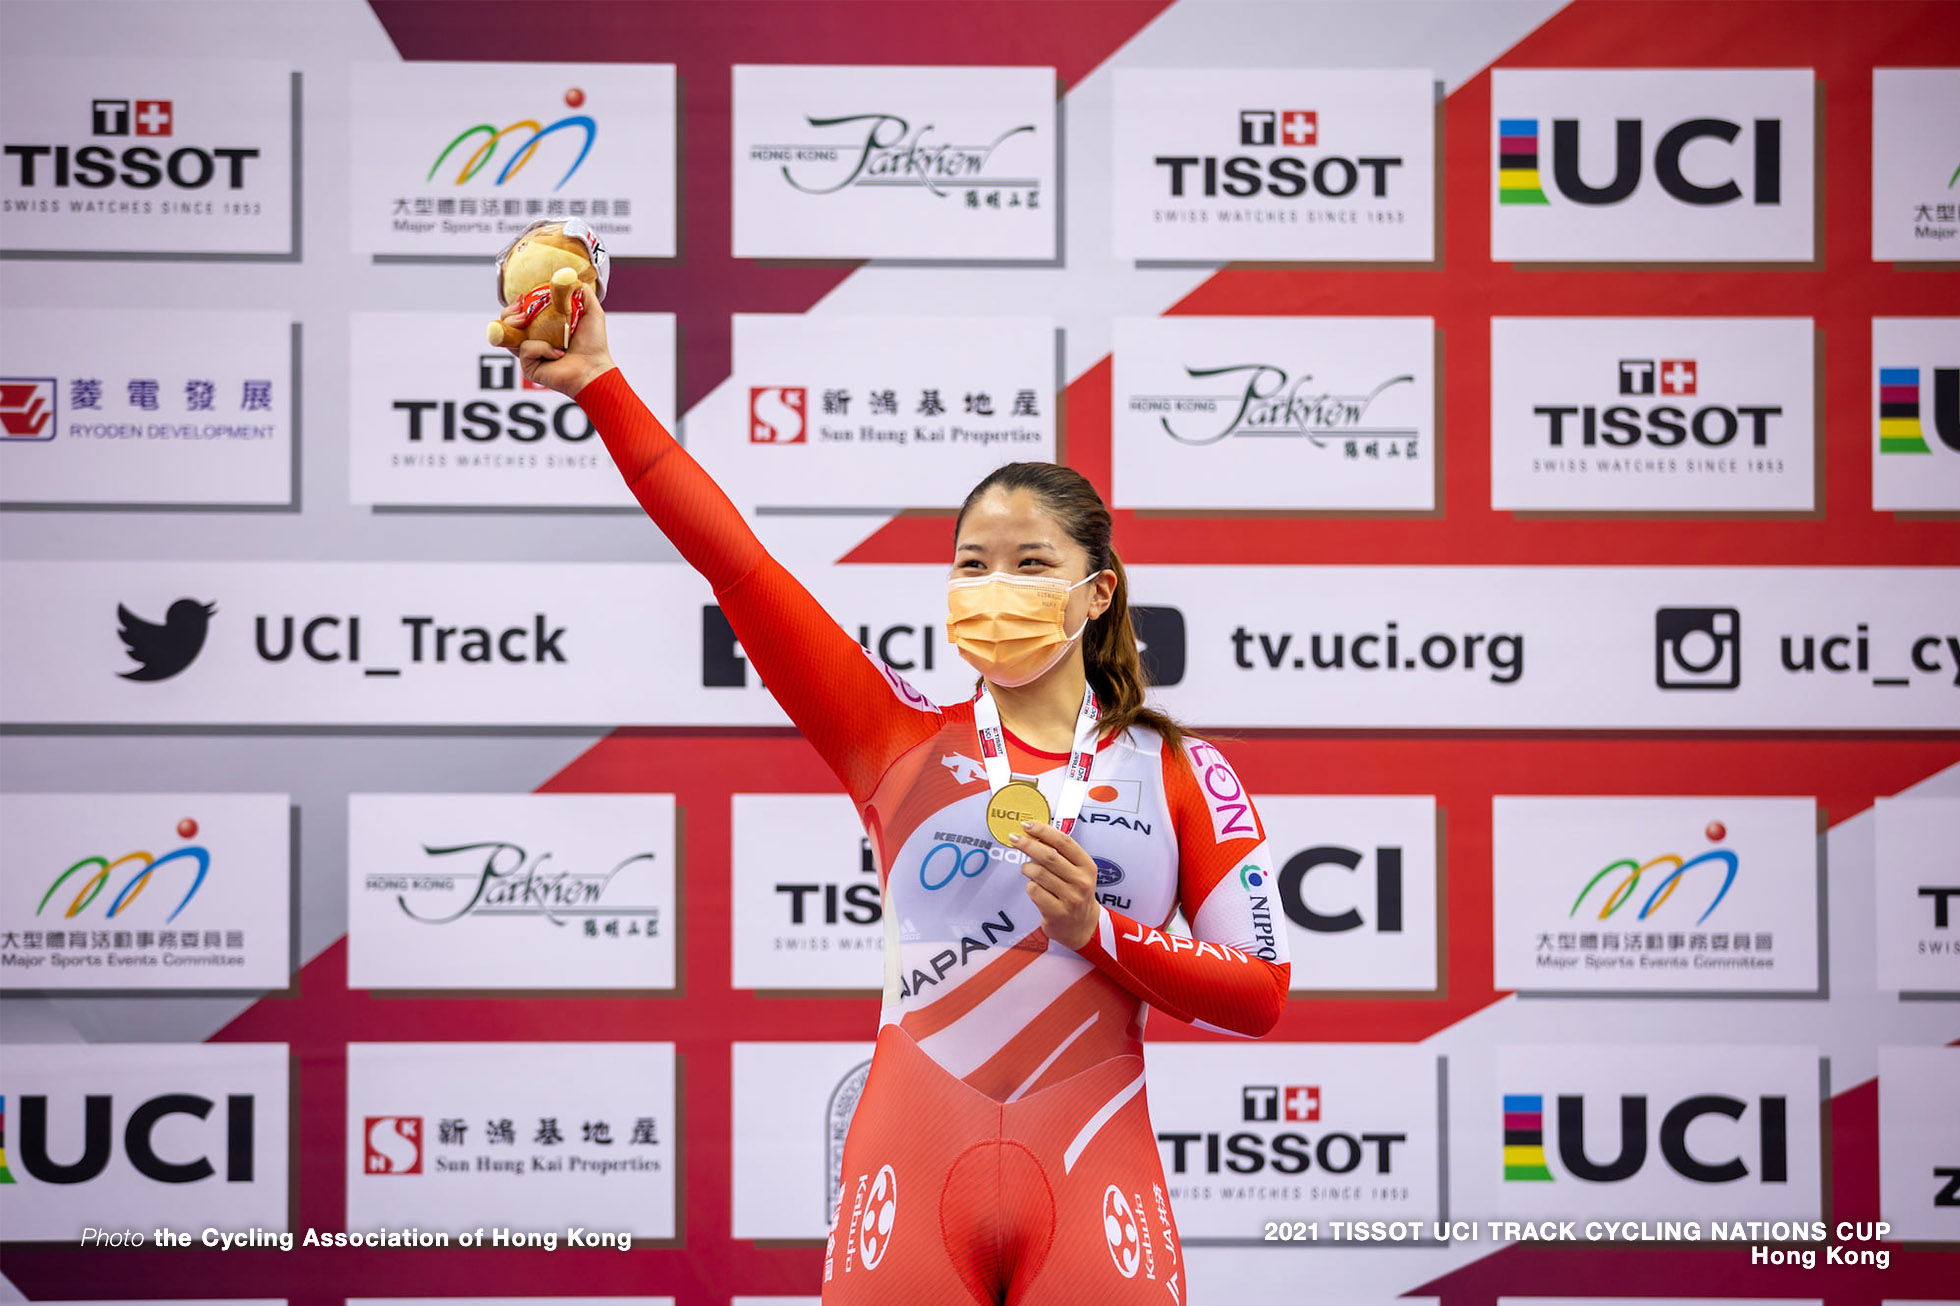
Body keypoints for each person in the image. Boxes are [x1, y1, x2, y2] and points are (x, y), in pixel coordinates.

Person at [497, 297, 1291, 1305]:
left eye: (1029, 563)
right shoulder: (893, 734)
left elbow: (1261, 994)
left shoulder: (1179, 769)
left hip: (1095, 1166)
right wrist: (602, 387)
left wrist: (1100, 932)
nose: (993, 587)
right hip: (909, 1162)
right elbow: (737, 565)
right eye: (972, 565)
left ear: (1098, 593)